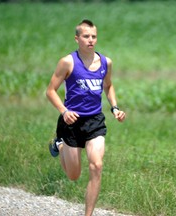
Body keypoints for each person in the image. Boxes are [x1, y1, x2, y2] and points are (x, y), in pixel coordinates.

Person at [46, 19, 126, 216]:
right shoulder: (68, 62)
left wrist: (114, 107)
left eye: (93, 36)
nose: (91, 40)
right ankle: (61, 144)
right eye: (86, 36)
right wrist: (64, 111)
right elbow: (50, 91)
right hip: (71, 122)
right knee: (74, 176)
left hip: (94, 121)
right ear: (77, 38)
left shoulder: (106, 62)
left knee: (97, 165)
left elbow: (108, 85)